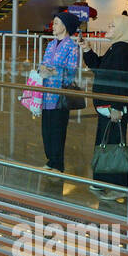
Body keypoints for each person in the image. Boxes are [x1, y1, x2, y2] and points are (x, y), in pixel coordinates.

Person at [81, 15, 128, 198]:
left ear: (122, 30)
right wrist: (88, 51)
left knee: (113, 144)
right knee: (106, 143)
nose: (109, 28)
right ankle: (102, 181)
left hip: (114, 108)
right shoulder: (117, 48)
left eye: (113, 26)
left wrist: (117, 106)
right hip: (108, 106)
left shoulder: (123, 51)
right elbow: (100, 69)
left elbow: (121, 81)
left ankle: (118, 186)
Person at [38, 12, 81, 173]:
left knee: (58, 129)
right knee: (47, 128)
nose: (53, 26)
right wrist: (41, 69)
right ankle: (50, 160)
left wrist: (53, 72)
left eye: (56, 23)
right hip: (46, 93)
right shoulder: (50, 45)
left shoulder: (72, 47)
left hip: (60, 95)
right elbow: (42, 64)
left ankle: (58, 163)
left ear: (64, 26)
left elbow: (71, 71)